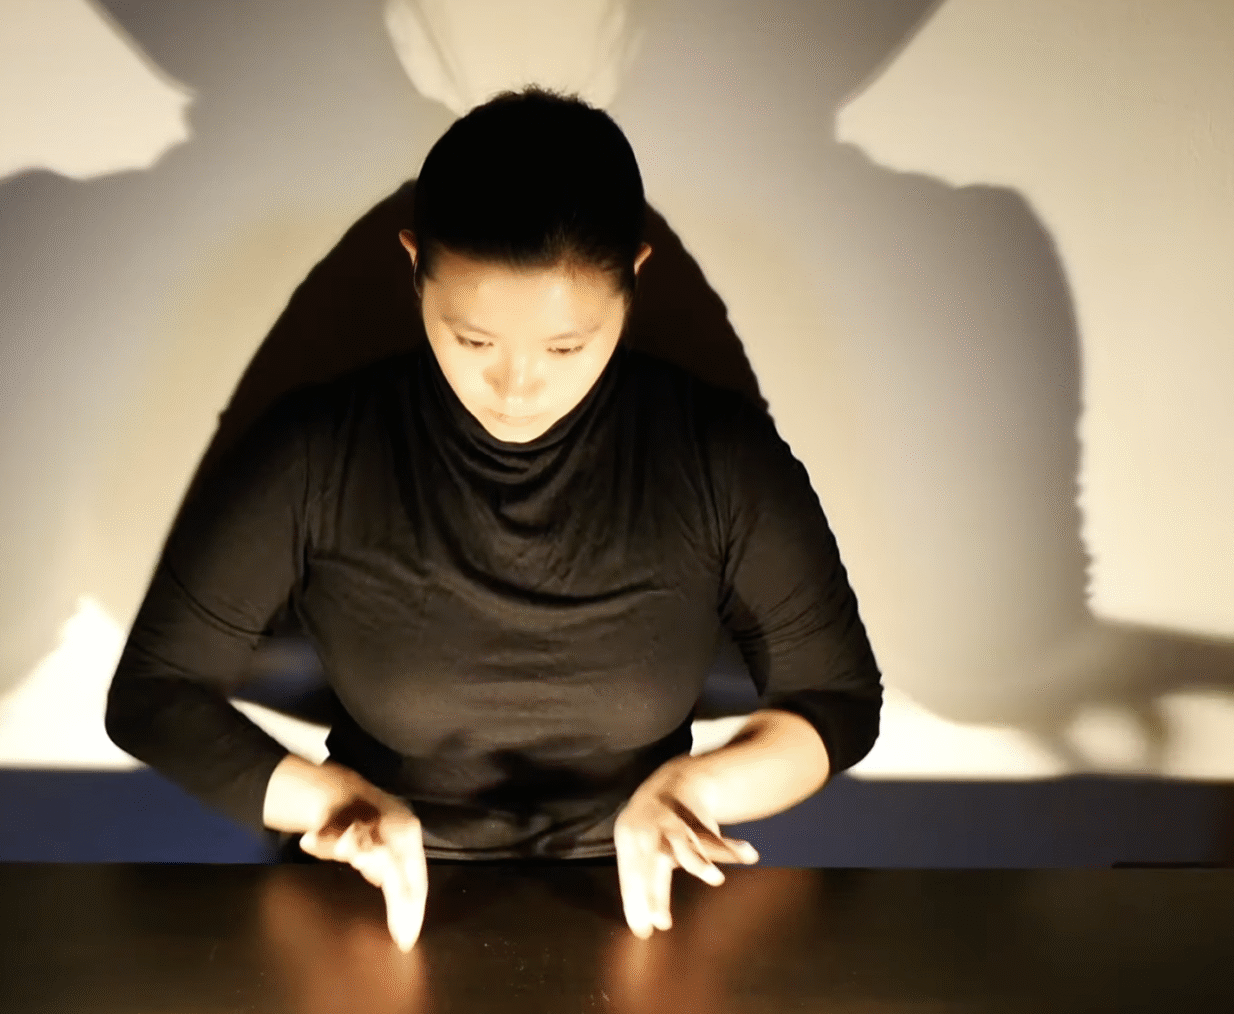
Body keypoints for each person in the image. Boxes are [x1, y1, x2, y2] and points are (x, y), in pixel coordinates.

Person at [106, 90, 880, 948]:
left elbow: (839, 699)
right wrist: (333, 803)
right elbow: (154, 694)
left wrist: (696, 790)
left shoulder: (716, 456)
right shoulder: (319, 453)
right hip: (373, 898)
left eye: (566, 347)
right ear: (415, 268)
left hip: (647, 898)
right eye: (473, 341)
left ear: (634, 277)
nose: (516, 387)